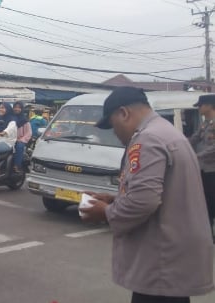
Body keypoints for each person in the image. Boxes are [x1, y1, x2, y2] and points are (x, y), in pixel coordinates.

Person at [81, 87, 214, 303]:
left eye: (113, 125)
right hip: (172, 257)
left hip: (161, 261)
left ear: (124, 113)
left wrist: (105, 212)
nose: (115, 132)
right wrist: (115, 199)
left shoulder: (147, 139)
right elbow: (166, 193)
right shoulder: (167, 132)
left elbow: (143, 201)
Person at [189, 94, 215, 242]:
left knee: (212, 201)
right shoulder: (205, 124)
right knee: (207, 201)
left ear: (210, 105)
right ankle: (208, 233)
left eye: (200, 105)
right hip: (204, 170)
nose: (199, 108)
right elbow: (194, 138)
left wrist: (198, 156)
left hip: (213, 170)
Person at [12, 101, 31, 172]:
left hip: (20, 139)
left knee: (19, 146)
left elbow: (29, 133)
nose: (16, 109)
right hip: (10, 139)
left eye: (19, 107)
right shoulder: (10, 118)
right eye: (15, 107)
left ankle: (17, 165)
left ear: (22, 109)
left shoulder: (25, 120)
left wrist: (21, 139)